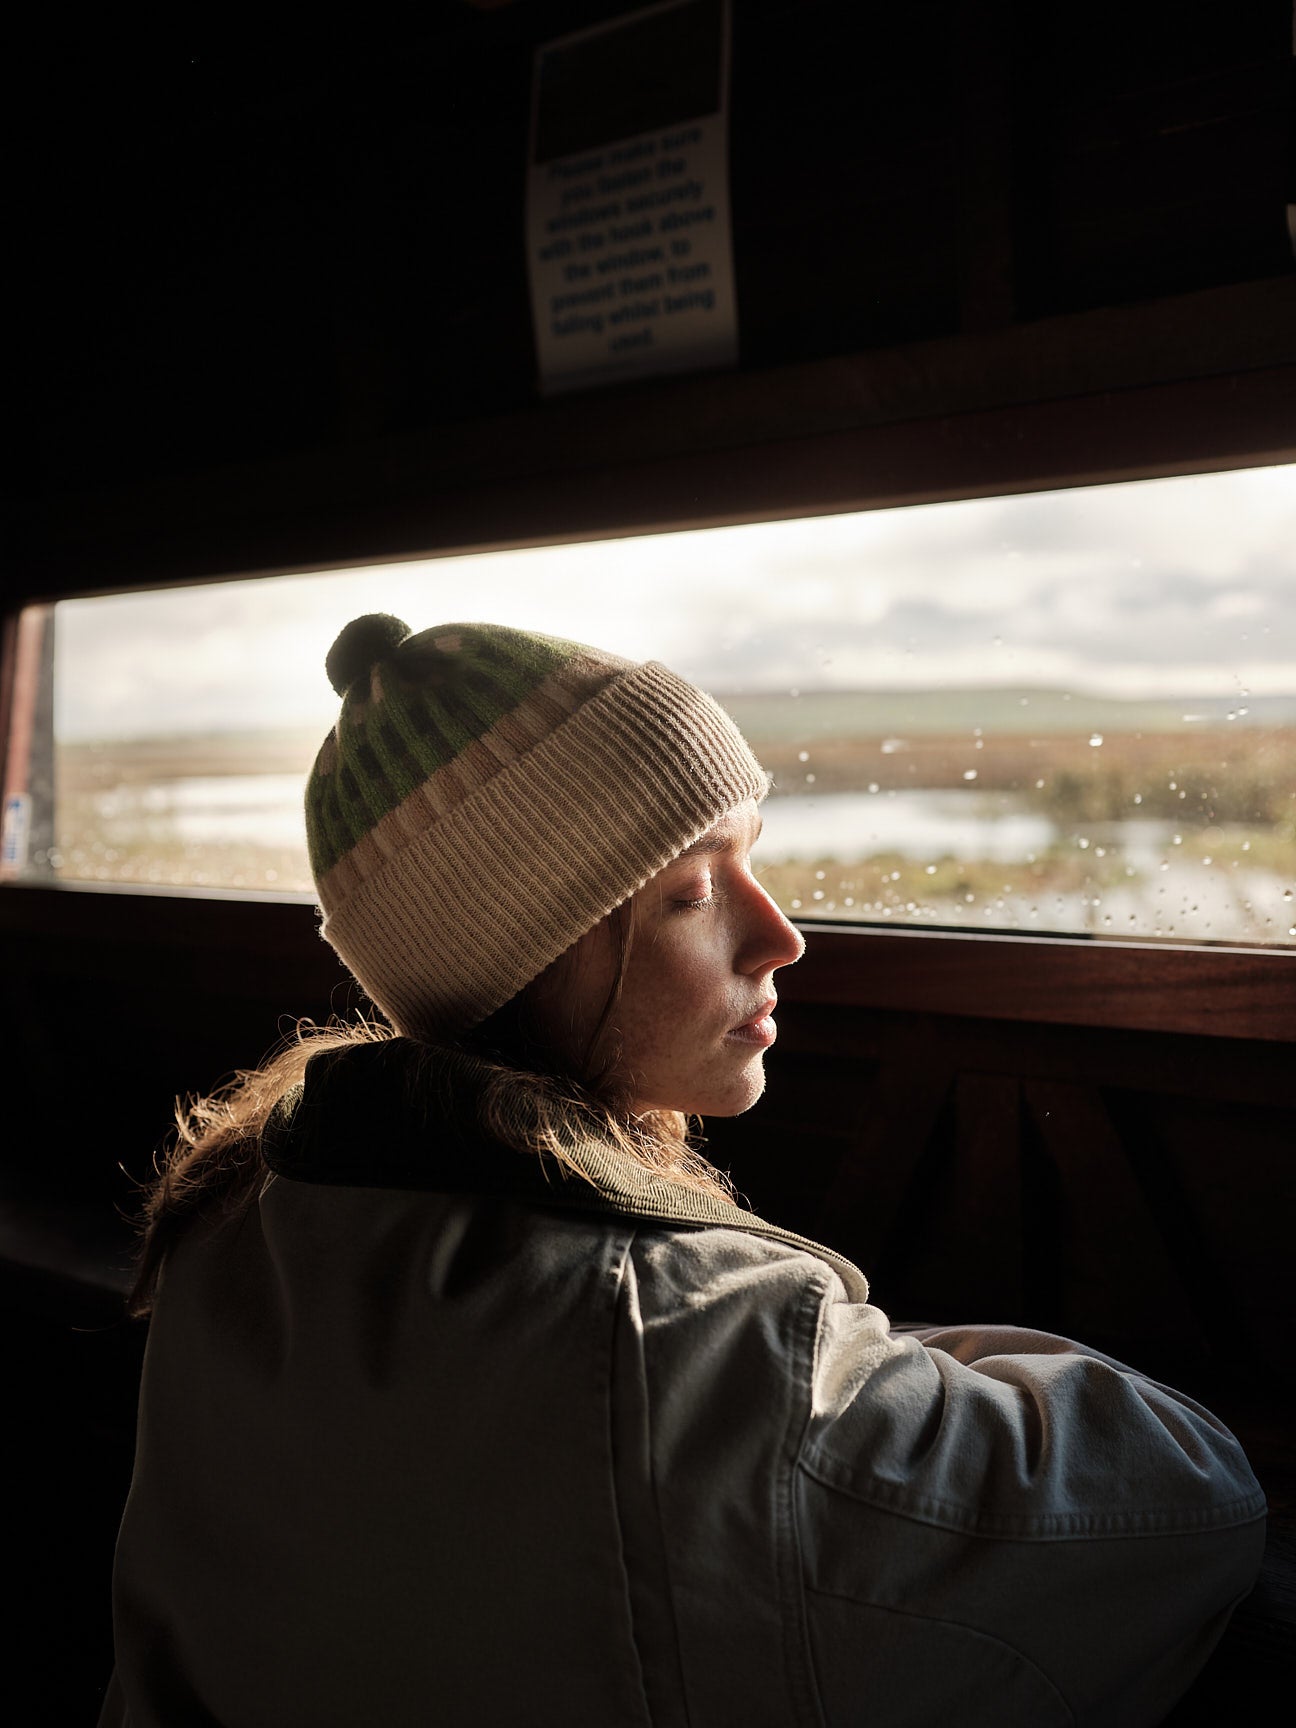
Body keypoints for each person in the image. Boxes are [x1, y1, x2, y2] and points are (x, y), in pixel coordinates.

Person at [100, 616, 1265, 1727]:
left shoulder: (239, 1232)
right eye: (693, 894)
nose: (779, 936)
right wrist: (871, 1354)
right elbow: (1190, 1500)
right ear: (526, 960)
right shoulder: (698, 1347)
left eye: (752, 860)